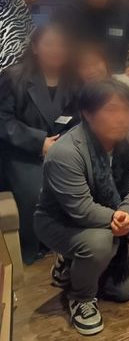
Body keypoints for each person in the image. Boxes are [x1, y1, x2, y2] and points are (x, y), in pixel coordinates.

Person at [34, 80, 129, 336]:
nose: (122, 118)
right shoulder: (66, 152)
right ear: (87, 113)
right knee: (99, 243)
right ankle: (81, 297)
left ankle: (72, 263)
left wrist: (125, 216)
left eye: (127, 109)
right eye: (112, 110)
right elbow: (81, 210)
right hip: (61, 222)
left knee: (124, 291)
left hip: (109, 217)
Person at [0, 24, 78, 264]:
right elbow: (3, 120)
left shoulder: (74, 80)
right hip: (22, 152)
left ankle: (72, 241)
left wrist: (63, 143)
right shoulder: (13, 77)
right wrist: (39, 142)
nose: (56, 50)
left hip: (62, 148)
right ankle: (34, 247)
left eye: (61, 44)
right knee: (35, 190)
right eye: (49, 44)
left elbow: (80, 118)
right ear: (35, 47)